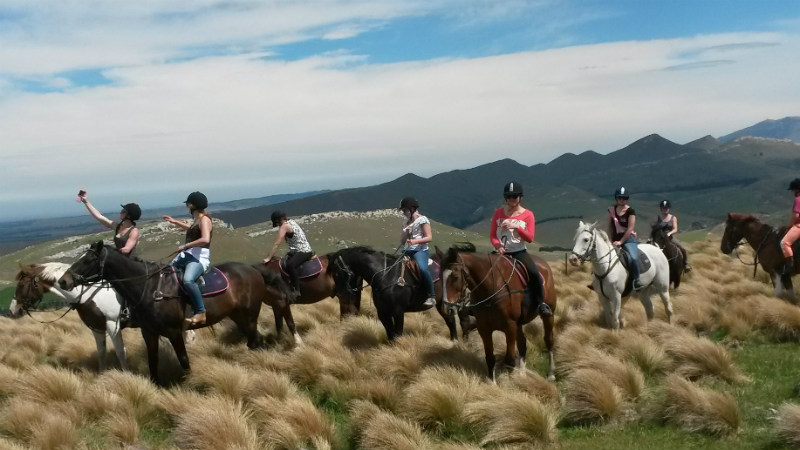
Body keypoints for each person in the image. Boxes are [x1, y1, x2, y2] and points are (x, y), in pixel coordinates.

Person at [490, 182, 552, 317]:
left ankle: (541, 304)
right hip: (500, 253)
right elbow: (493, 235)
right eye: (509, 196)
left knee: (535, 274)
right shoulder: (498, 213)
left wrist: (516, 227)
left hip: (518, 252)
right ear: (505, 197)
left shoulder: (528, 215)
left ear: (520, 197)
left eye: (515, 196)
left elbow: (530, 238)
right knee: (483, 272)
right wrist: (498, 246)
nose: (512, 198)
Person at [163, 191, 212, 325]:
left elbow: (205, 238)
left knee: (188, 280)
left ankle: (201, 312)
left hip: (199, 258)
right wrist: (175, 222)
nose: (187, 207)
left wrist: (186, 245)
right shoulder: (197, 219)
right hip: (189, 254)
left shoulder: (205, 219)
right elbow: (191, 229)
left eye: (188, 204)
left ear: (192, 205)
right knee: (167, 274)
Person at [263, 211, 313, 302]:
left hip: (303, 250)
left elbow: (277, 243)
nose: (277, 224)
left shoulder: (284, 227)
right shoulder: (291, 221)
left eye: (277, 222)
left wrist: (269, 258)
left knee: (290, 265)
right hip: (297, 249)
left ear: (279, 220)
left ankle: (297, 290)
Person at [399, 197, 436, 308]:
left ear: (412, 209)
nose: (403, 212)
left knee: (422, 269)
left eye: (405, 210)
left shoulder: (423, 220)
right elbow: (402, 241)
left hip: (420, 250)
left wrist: (415, 241)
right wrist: (406, 233)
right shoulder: (406, 223)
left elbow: (429, 237)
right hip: (407, 250)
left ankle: (431, 296)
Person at [78, 190, 141, 255]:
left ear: (128, 215)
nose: (120, 212)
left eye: (123, 211)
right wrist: (86, 202)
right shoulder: (117, 226)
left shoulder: (134, 231)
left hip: (129, 263)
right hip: (118, 260)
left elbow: (127, 249)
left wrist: (109, 251)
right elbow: (99, 216)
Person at [609, 187, 644, 290]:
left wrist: (621, 241)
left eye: (624, 198)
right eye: (620, 198)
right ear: (616, 198)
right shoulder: (611, 210)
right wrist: (610, 240)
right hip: (614, 240)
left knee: (633, 258)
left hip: (628, 239)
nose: (622, 200)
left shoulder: (630, 211)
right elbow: (609, 227)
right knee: (601, 256)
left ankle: (637, 280)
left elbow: (630, 228)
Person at [655, 199, 691, 272]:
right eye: (663, 208)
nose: (664, 209)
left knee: (683, 248)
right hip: (660, 238)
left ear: (669, 209)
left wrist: (669, 233)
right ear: (661, 209)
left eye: (666, 208)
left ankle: (685, 264)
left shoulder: (673, 218)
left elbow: (675, 229)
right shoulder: (658, 218)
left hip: (670, 238)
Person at [780, 178, 800, 276]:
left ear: (797, 190)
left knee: (784, 243)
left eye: (792, 190)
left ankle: (790, 266)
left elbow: (796, 216)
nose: (791, 192)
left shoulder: (798, 200)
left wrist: (790, 225)